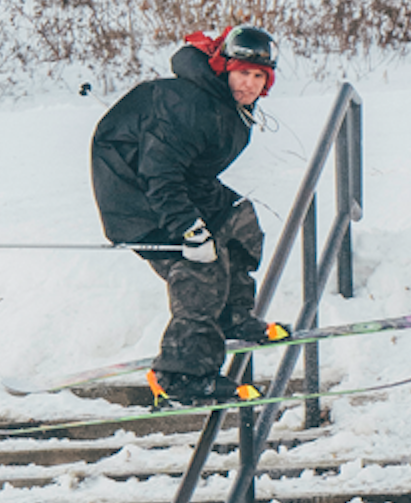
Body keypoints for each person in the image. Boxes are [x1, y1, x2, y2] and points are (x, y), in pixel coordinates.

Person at [90, 25, 285, 405]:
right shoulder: (190, 105)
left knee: (239, 222)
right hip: (136, 196)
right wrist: (188, 229)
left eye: (259, 76)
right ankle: (181, 375)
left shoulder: (229, 106)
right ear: (224, 67)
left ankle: (232, 316)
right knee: (200, 267)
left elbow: (187, 170)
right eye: (243, 72)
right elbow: (159, 171)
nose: (249, 84)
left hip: (181, 184)